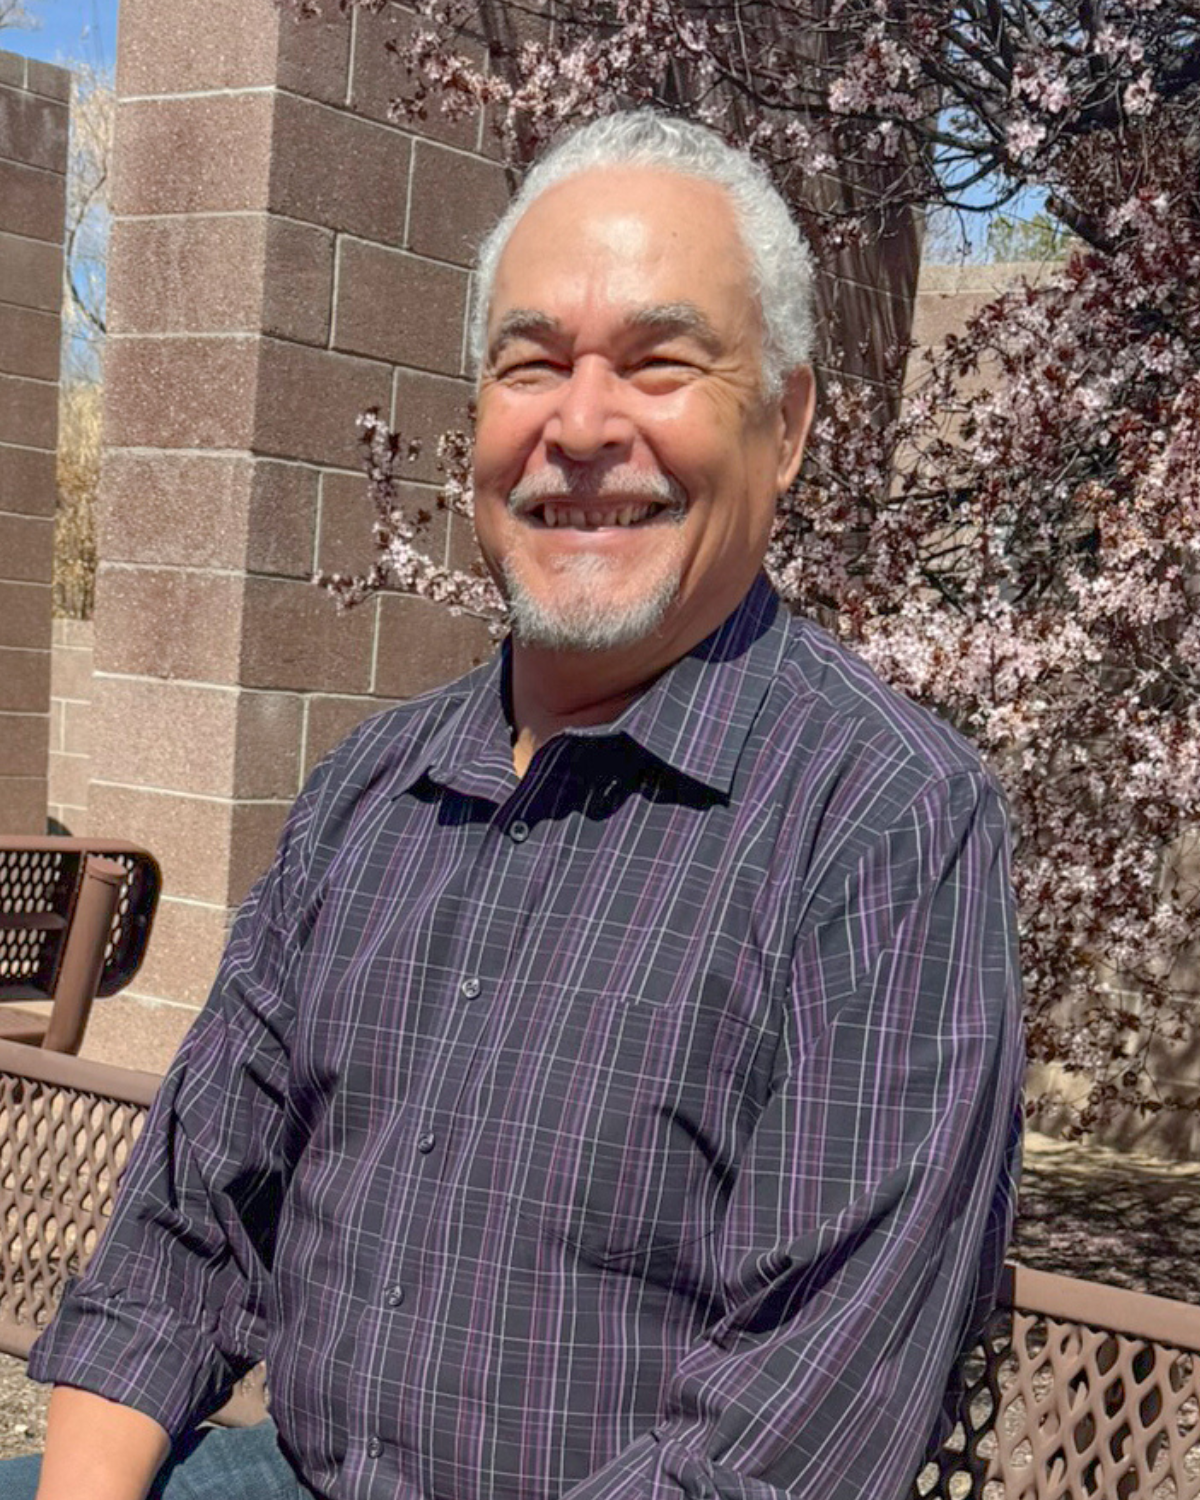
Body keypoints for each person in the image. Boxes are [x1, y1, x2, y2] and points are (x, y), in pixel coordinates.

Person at [6, 111, 1022, 1500]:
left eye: (660, 364)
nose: (582, 426)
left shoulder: (888, 828)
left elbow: (784, 1450)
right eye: (530, 364)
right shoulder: (372, 791)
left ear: (784, 424)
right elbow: (185, 1231)